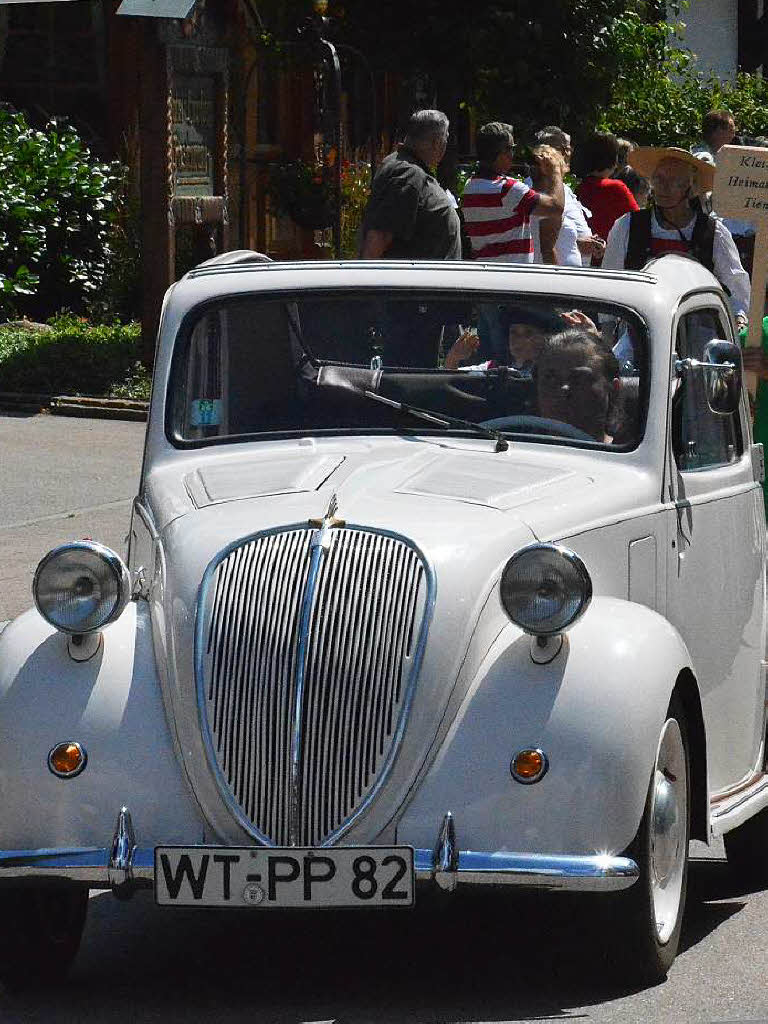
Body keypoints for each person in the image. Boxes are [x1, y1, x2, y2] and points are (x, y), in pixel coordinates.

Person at [602, 147, 750, 328]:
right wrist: (608, 331)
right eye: (659, 179)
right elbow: (609, 281)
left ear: (691, 187)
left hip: (698, 331)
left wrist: (739, 319)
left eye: (674, 181)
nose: (664, 187)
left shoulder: (713, 232)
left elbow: (735, 288)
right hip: (638, 332)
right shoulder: (627, 226)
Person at [460, 121, 564, 360]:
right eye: (511, 149)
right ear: (501, 154)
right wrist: (556, 173)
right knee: (537, 344)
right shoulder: (507, 190)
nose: (513, 155)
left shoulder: (470, 187)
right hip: (512, 288)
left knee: (493, 357)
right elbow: (556, 207)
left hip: (487, 288)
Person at [360, 109, 460, 261]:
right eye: (446, 139)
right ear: (437, 142)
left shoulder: (403, 165)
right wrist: (364, 279)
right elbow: (380, 236)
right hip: (418, 281)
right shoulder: (407, 174)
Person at [531, 126, 605, 267]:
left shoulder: (561, 189)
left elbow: (561, 235)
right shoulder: (540, 191)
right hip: (556, 281)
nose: (569, 153)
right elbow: (544, 244)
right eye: (566, 148)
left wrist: (588, 243)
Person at [536, 328, 621, 442]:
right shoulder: (516, 450)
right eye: (551, 379)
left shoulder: (630, 456)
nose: (563, 389)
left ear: (613, 389)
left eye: (580, 379)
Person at [575, 132, 639, 259]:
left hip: (586, 258)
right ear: (613, 159)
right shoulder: (616, 188)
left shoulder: (579, 189)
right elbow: (638, 222)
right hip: (610, 258)